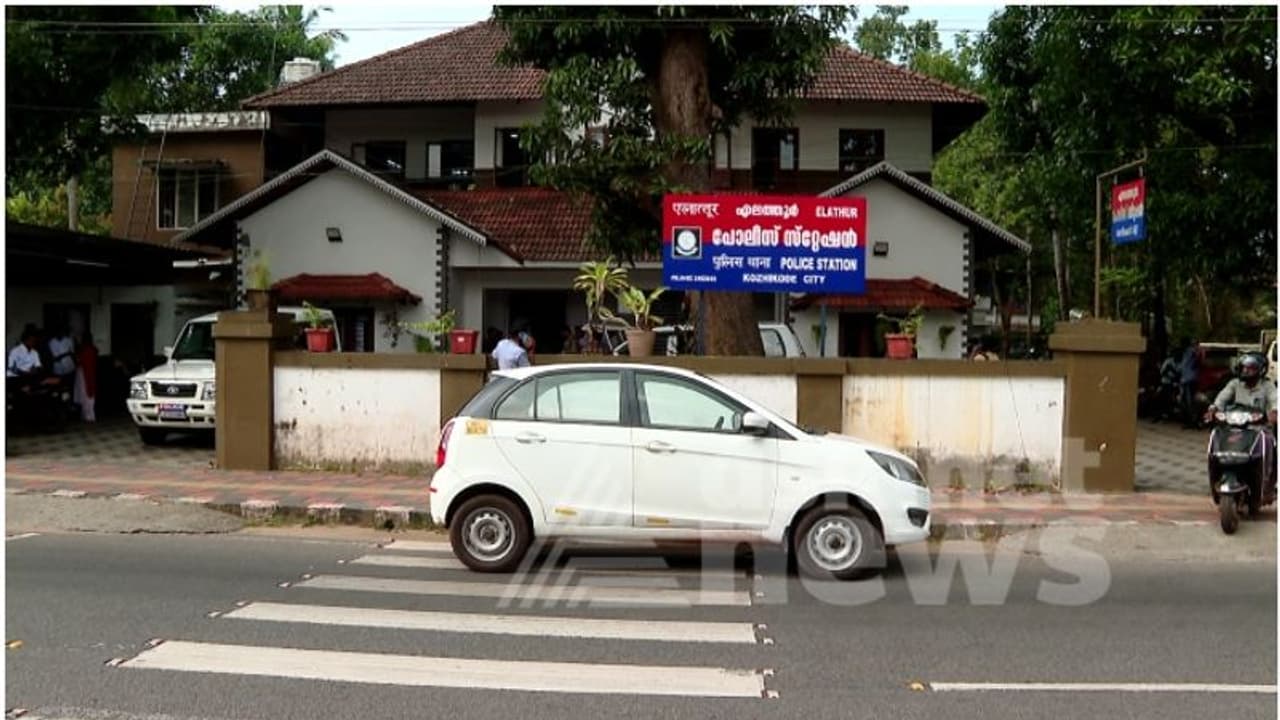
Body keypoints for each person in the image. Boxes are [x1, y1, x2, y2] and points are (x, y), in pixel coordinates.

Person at [1205, 353, 1278, 501]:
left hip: (1259, 428)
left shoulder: (1267, 385)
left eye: (1251, 368)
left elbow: (1276, 399)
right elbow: (1222, 398)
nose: (1246, 371)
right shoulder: (1234, 384)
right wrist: (1213, 409)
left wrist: (1274, 412)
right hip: (1235, 426)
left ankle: (1269, 483)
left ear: (1261, 370)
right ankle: (1218, 477)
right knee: (1217, 435)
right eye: (1244, 368)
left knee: (1272, 443)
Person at [74, 330, 99, 422]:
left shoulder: (84, 350)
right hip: (90, 373)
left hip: (84, 373)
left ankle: (87, 415)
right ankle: (89, 415)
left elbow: (79, 361)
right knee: (89, 394)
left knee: (84, 394)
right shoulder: (93, 349)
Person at [1179, 338, 1200, 427]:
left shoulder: (1191, 351)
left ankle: (1192, 421)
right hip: (1187, 378)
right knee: (1187, 401)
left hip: (1189, 379)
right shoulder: (1188, 352)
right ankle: (1190, 420)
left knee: (1189, 401)